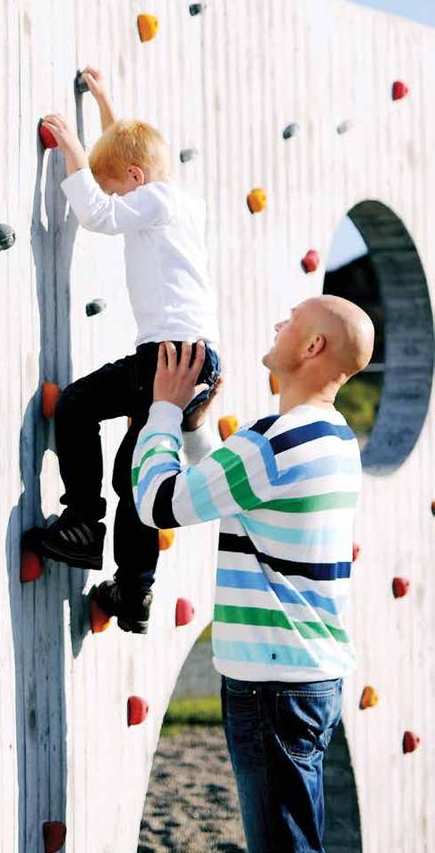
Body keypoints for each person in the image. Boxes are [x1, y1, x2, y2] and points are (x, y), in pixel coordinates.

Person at [133, 295, 374, 853]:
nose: (277, 323)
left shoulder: (273, 442)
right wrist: (195, 432)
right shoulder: (331, 438)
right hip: (308, 677)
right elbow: (238, 490)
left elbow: (158, 502)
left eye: (291, 320)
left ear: (312, 346)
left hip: (273, 686)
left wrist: (164, 412)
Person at [24, 68, 220, 634]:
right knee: (140, 475)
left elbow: (98, 213)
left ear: (136, 179)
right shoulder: (179, 200)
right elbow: (129, 158)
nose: (114, 197)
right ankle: (133, 590)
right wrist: (106, 103)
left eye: (117, 186)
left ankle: (82, 522)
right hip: (197, 356)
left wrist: (72, 151)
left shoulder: (152, 201)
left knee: (77, 406)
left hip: (168, 355)